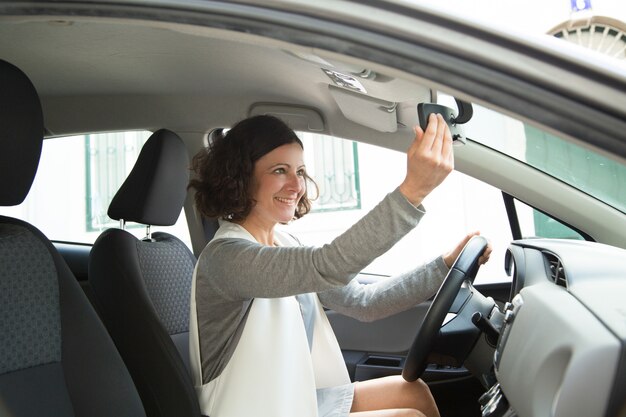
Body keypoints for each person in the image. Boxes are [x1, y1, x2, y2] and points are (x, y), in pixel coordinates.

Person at [188, 114, 491, 417]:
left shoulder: (284, 241)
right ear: (241, 178)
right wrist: (413, 191)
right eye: (280, 171)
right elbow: (328, 264)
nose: (297, 185)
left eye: (301, 171)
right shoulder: (226, 258)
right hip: (251, 410)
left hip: (293, 402)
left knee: (412, 392)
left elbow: (365, 303)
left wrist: (445, 266)